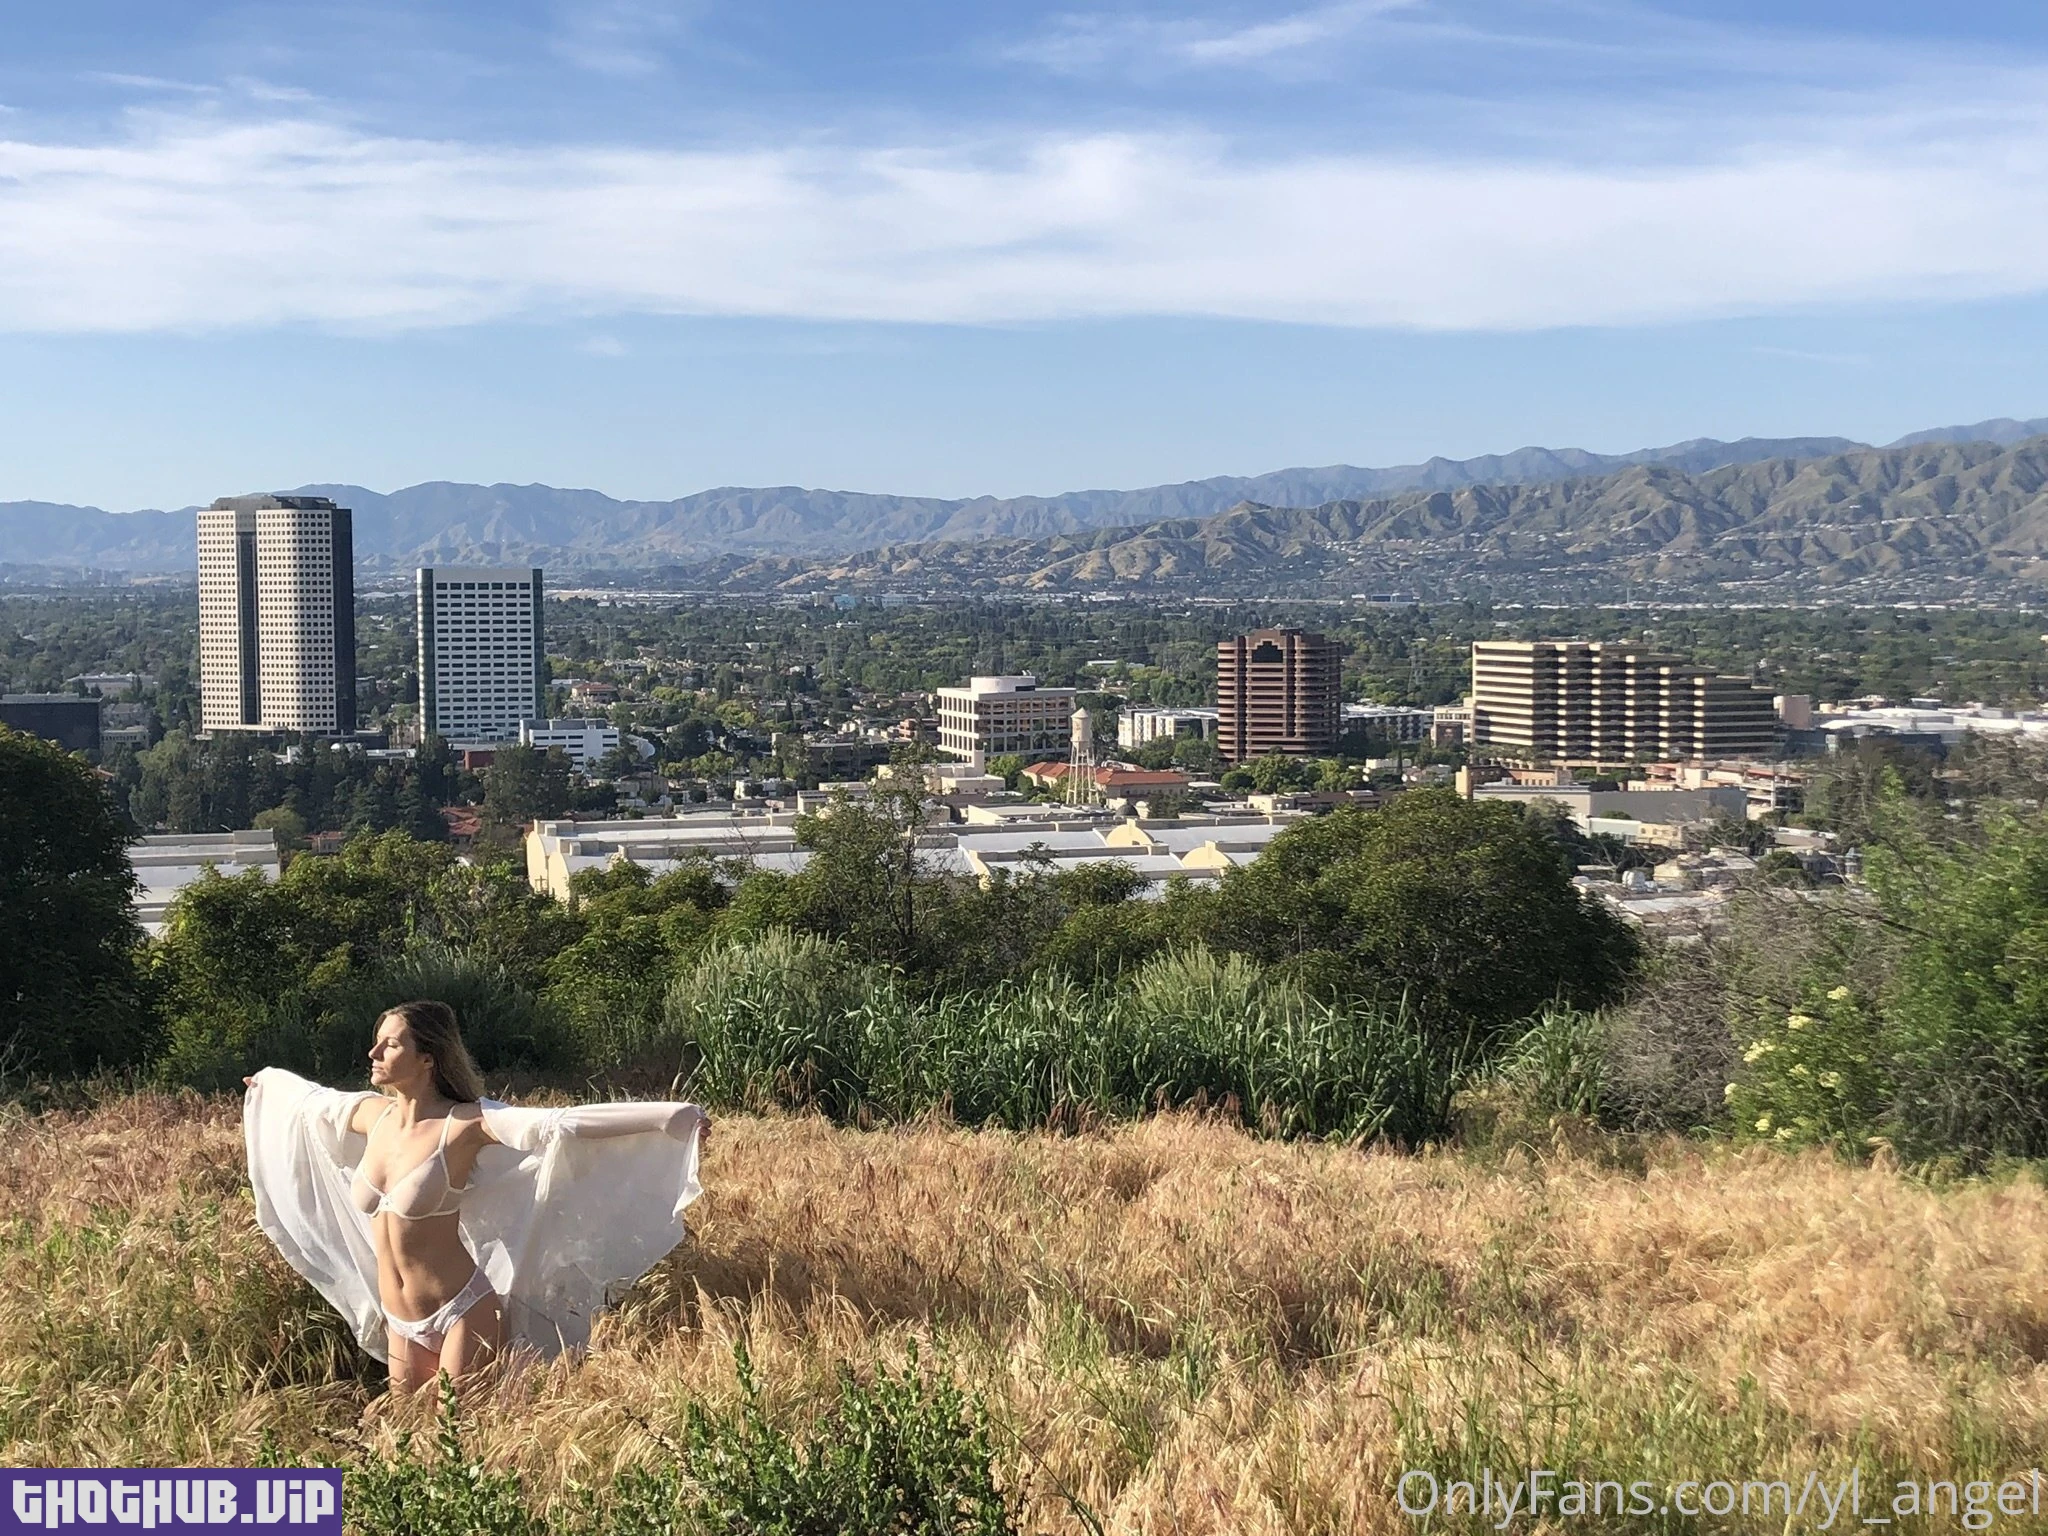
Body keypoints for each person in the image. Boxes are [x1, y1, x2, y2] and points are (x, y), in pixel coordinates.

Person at [242, 1000, 711, 1393]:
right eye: (377, 1040)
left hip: (462, 1311)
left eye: (391, 1044)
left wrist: (671, 1117)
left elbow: (557, 1124)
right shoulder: (371, 1115)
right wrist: (267, 1084)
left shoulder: (465, 1124)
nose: (374, 1052)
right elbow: (311, 1104)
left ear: (428, 1059)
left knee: (460, 1430)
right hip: (399, 1318)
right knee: (409, 1433)